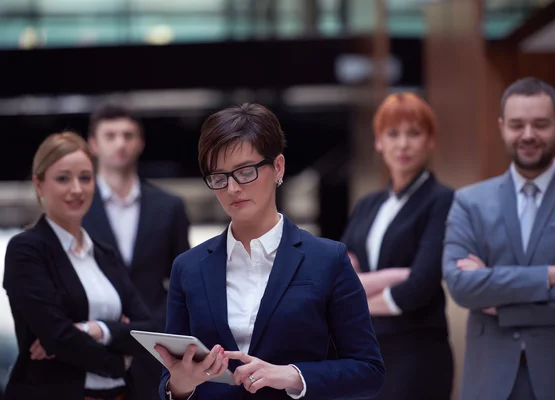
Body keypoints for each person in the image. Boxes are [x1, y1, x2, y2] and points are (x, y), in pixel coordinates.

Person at [154, 103, 385, 399]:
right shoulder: (188, 268)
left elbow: (369, 371)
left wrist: (293, 375)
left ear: (278, 167)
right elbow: (168, 384)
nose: (232, 188)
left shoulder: (328, 260)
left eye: (245, 172)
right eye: (219, 177)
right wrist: (181, 385)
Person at [443, 77, 555, 400]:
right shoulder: (469, 202)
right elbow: (461, 285)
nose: (528, 135)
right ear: (502, 127)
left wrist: (503, 306)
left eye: (540, 124)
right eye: (517, 125)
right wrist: (550, 275)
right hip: (490, 381)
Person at [2, 132, 156, 400]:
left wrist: (93, 329)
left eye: (85, 177)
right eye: (63, 178)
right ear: (39, 184)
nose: (77, 189)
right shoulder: (26, 250)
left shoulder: (104, 253)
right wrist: (121, 361)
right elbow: (58, 337)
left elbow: (147, 330)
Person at [341, 92, 454, 399]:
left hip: (417, 353)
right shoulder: (368, 204)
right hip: (366, 351)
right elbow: (338, 276)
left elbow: (419, 287)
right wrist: (392, 278)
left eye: (414, 133)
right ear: (379, 142)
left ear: (430, 141)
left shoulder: (442, 200)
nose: (403, 144)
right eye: (393, 134)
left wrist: (355, 304)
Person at [83, 104, 190, 399]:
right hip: (94, 348)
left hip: (154, 345)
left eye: (128, 135)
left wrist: (166, 328)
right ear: (94, 144)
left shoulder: (169, 207)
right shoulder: (76, 209)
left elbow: (183, 281)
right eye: (111, 135)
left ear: (140, 142)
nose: (120, 143)